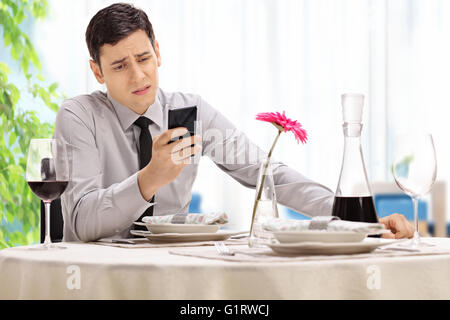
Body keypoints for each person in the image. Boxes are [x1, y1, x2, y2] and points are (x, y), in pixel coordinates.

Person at [54, 3, 413, 242]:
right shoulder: (79, 116)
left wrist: (358, 221)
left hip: (169, 270)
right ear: (97, 71)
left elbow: (267, 173)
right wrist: (150, 179)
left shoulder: (189, 111)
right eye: (119, 66)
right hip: (95, 274)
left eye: (144, 58)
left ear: (158, 53)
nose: (137, 75)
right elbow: (81, 222)